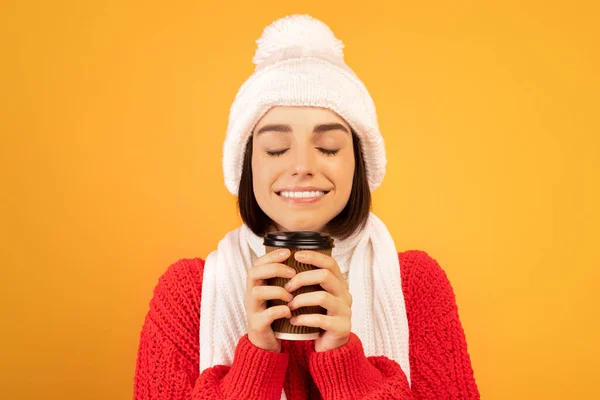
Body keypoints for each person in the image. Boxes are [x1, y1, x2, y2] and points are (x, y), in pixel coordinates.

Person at [134, 14, 480, 399]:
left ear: (358, 163)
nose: (302, 166)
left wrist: (345, 365)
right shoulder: (188, 294)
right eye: (276, 149)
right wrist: (257, 360)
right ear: (247, 166)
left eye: (328, 147)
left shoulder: (415, 284)